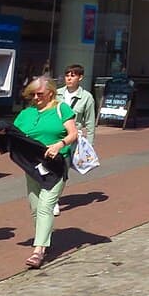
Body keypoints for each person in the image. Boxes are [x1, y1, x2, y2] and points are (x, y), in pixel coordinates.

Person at [12, 75, 78, 269]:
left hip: (55, 164)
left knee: (45, 205)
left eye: (39, 94)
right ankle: (44, 239)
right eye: (32, 94)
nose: (36, 98)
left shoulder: (60, 109)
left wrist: (60, 144)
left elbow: (73, 133)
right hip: (32, 165)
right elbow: (14, 134)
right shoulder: (27, 113)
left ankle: (38, 250)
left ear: (50, 92)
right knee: (35, 207)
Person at [53, 64, 97, 215]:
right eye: (67, 75)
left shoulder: (87, 97)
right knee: (50, 166)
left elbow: (90, 123)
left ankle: (54, 199)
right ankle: (51, 197)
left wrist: (89, 146)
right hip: (54, 135)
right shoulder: (56, 94)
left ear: (80, 78)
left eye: (73, 75)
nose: (69, 78)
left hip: (72, 137)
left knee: (63, 169)